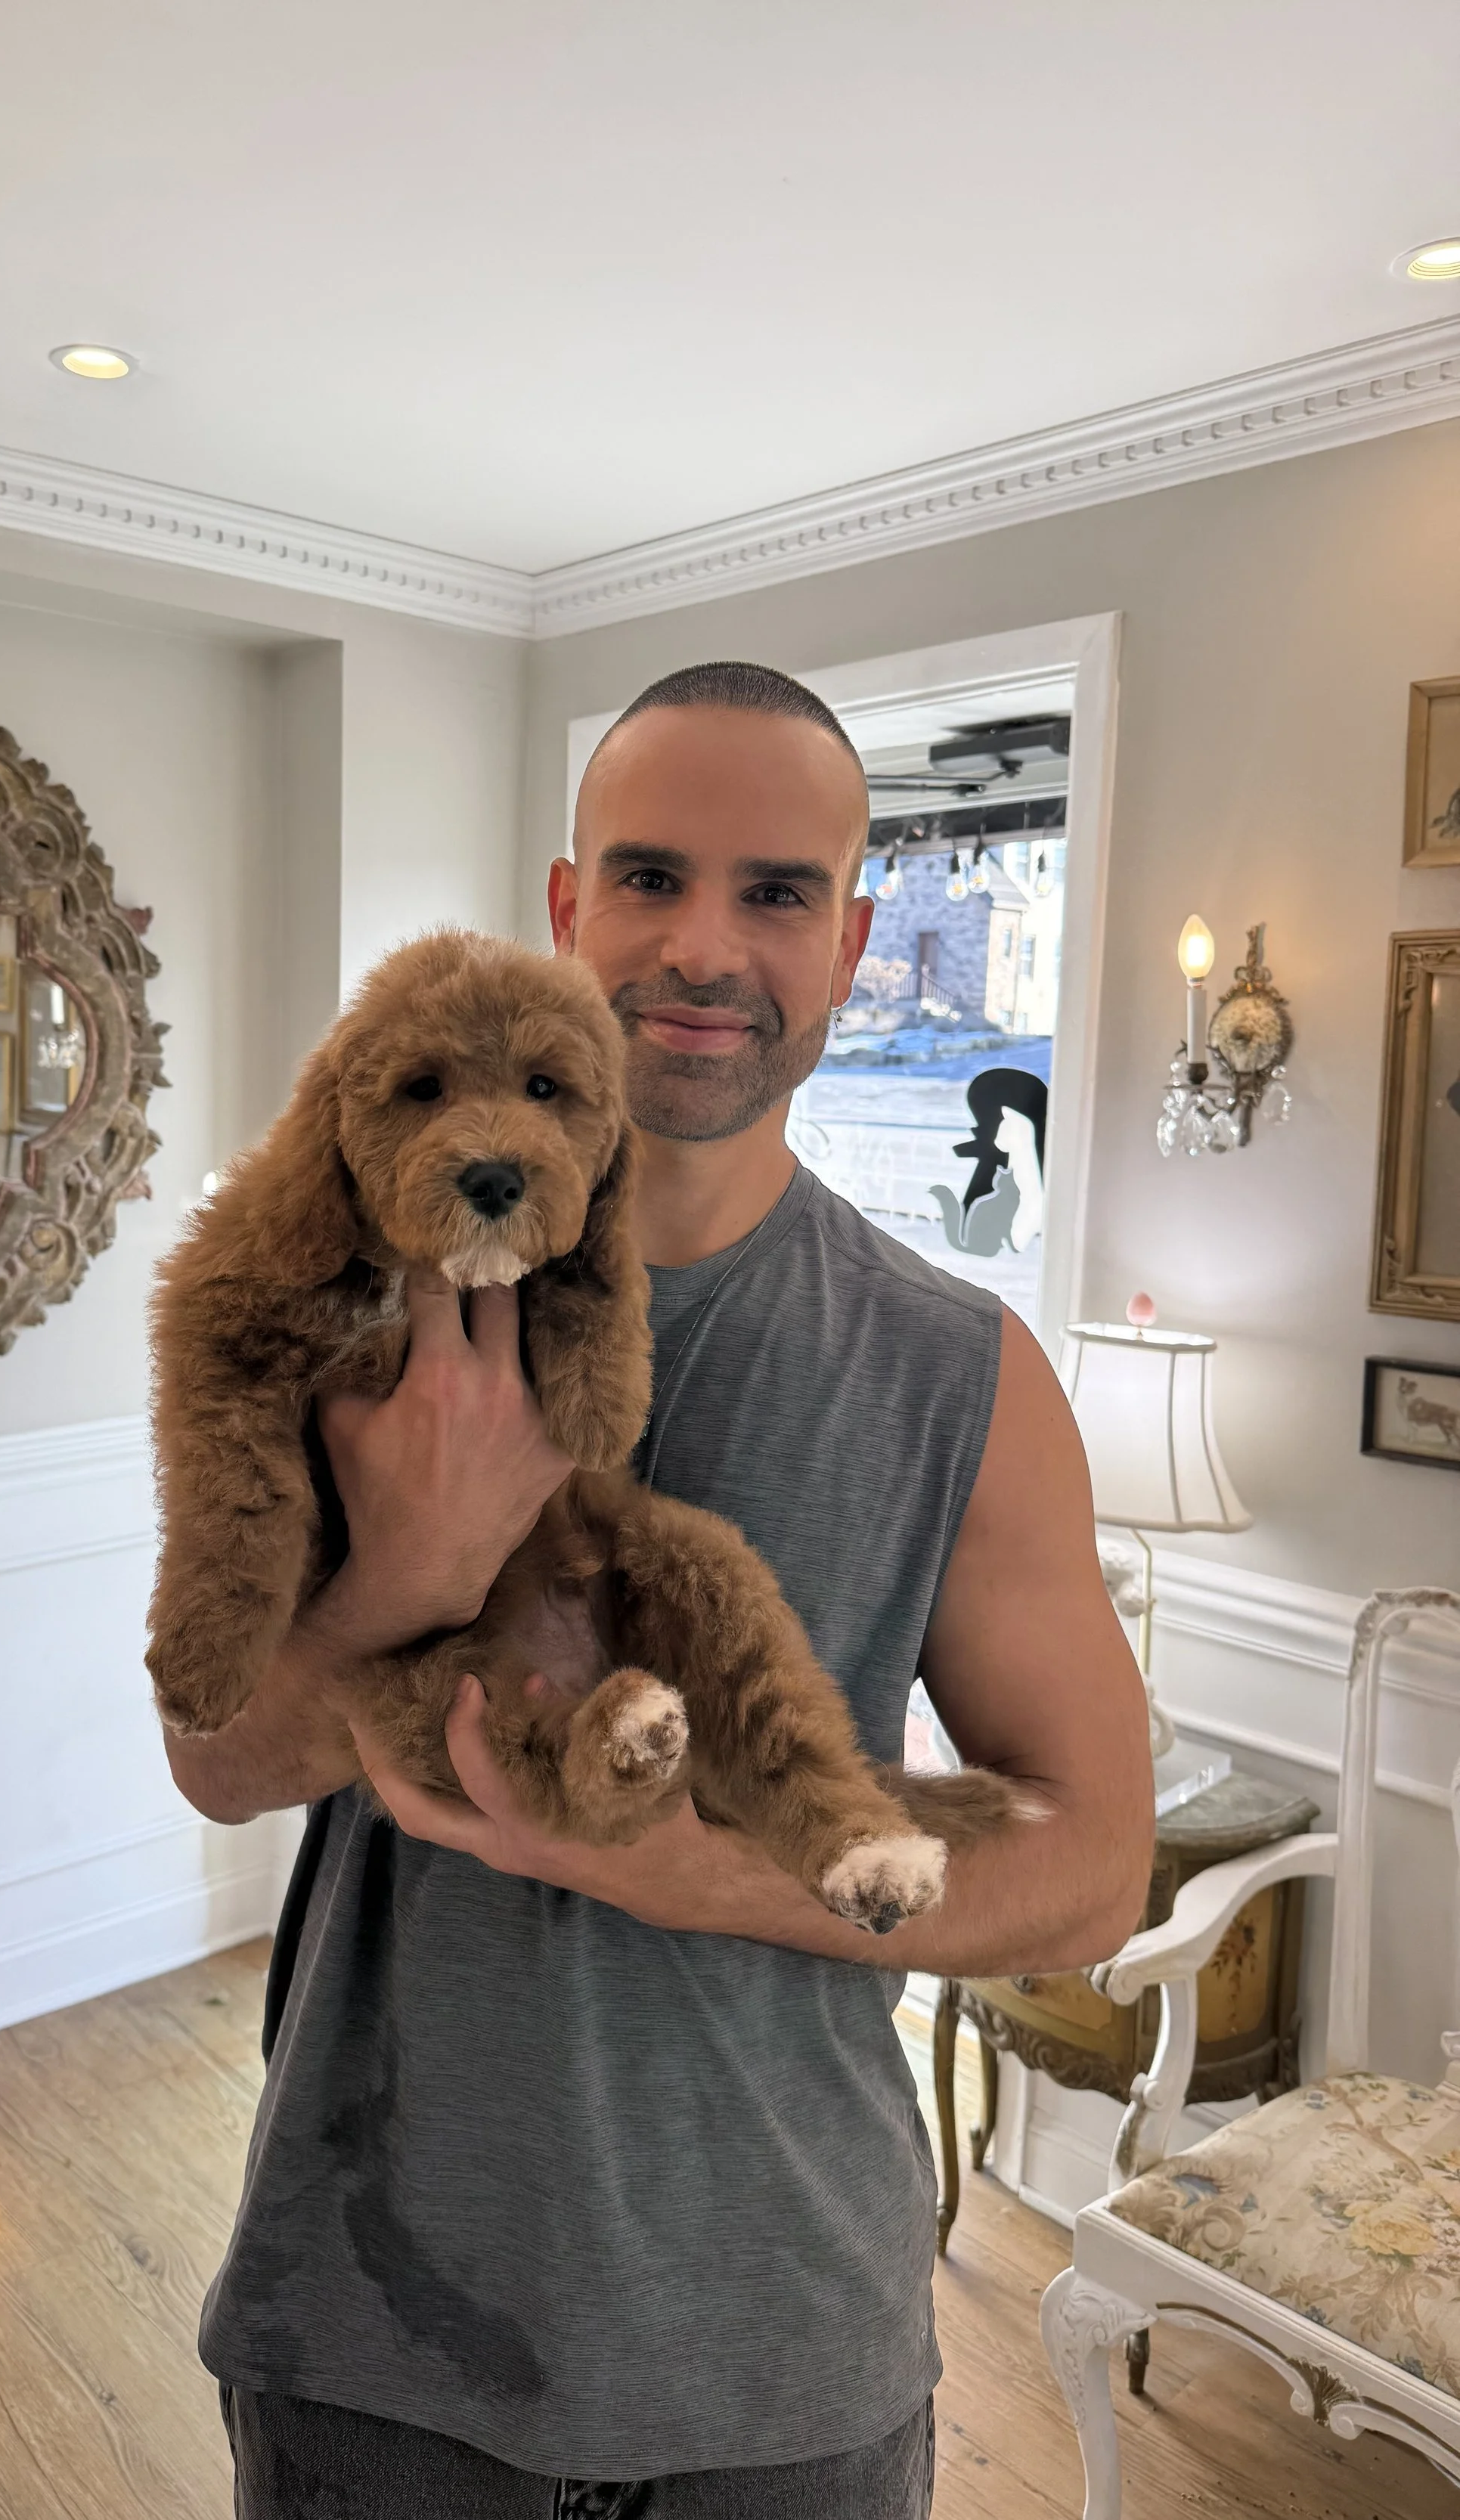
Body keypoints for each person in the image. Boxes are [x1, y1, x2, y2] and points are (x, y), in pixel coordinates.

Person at [164, 660, 1156, 2518]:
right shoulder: (348, 1306)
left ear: (849, 940)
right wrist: (418, 1567)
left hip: (780, 2370)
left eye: (775, 893)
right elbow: (218, 1764)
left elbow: (1094, 1863)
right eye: (648, 877)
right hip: (367, 2340)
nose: (704, 946)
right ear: (566, 909)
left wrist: (678, 1864)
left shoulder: (961, 1375)